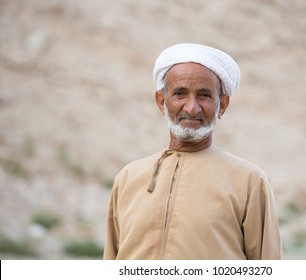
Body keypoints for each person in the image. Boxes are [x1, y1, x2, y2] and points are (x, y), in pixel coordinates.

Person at [103, 43, 283, 260]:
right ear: (161, 101)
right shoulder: (128, 178)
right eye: (180, 94)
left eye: (204, 95)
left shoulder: (250, 182)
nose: (191, 107)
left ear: (222, 105)